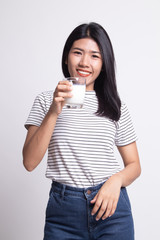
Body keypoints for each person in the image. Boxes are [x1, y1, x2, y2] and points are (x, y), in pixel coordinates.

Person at [23, 22, 141, 240]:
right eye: (78, 53)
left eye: (95, 56)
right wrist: (53, 111)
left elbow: (134, 166)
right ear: (66, 57)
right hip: (63, 212)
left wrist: (115, 182)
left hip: (111, 209)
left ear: (104, 63)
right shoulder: (44, 101)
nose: (85, 62)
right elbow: (29, 162)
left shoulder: (115, 106)